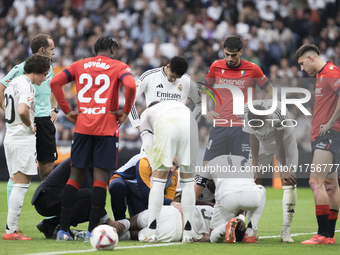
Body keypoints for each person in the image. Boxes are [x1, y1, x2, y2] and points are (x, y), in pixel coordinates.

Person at [50, 36, 136, 241]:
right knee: (100, 181)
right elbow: (131, 87)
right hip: (106, 129)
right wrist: (125, 111)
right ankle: (91, 232)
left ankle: (63, 231)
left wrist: (67, 111)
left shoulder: (80, 64)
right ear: (113, 49)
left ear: (96, 49)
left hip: (82, 128)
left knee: (75, 178)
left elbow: (55, 82)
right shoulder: (118, 65)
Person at [0, 34, 58, 202]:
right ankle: (12, 220)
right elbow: (1, 87)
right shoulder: (21, 68)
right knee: (20, 173)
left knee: (47, 170)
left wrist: (54, 109)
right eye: (51, 49)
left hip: (45, 122)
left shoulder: (49, 68)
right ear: (42, 50)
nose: (54, 52)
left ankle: (48, 217)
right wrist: (6, 109)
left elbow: (52, 88)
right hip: (28, 122)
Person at [202, 36, 273, 166]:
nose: (229, 58)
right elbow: (205, 89)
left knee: (242, 173)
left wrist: (259, 111)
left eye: (233, 55)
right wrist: (205, 110)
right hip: (219, 126)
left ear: (241, 52)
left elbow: (271, 91)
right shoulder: (216, 66)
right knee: (207, 173)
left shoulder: (253, 69)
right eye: (227, 54)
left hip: (242, 129)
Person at [295, 44, 340, 245]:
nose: (302, 69)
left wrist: (330, 123)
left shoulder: (331, 72)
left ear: (311, 58)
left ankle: (322, 234)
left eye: (302, 64)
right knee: (330, 185)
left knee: (315, 181)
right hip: (321, 135)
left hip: (329, 135)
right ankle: (329, 236)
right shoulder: (322, 75)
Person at [3, 54, 51, 240]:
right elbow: (23, 110)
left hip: (10, 135)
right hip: (22, 139)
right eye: (44, 74)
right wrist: (30, 125)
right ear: (37, 72)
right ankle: (11, 231)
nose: (45, 78)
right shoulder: (27, 85)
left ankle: (11, 229)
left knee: (16, 182)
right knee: (21, 185)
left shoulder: (14, 82)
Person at [139, 100, 198, 243]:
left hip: (168, 125)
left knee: (158, 184)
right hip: (190, 123)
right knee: (188, 183)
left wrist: (157, 169)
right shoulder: (173, 107)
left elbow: (148, 145)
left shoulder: (146, 116)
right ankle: (188, 234)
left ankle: (152, 233)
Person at [243, 100, 297, 242]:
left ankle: (286, 231)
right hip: (262, 146)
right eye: (252, 126)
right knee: (253, 181)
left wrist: (284, 168)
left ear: (266, 119)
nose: (254, 129)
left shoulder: (276, 115)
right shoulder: (246, 114)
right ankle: (251, 228)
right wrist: (255, 168)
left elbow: (280, 143)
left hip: (285, 140)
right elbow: (253, 142)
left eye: (257, 126)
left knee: (289, 181)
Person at [32, 158, 126, 239]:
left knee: (93, 211)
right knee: (89, 198)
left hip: (49, 199)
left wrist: (104, 221)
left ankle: (50, 224)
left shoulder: (87, 161)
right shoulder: (84, 163)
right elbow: (92, 197)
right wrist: (108, 221)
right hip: (46, 199)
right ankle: (61, 228)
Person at [195, 155, 266, 243]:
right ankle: (250, 233)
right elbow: (247, 188)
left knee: (213, 234)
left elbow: (194, 194)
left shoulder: (210, 164)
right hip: (251, 196)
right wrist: (240, 217)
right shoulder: (246, 161)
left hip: (226, 196)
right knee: (261, 189)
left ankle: (225, 227)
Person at [128, 55, 201, 131]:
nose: (173, 80)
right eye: (172, 76)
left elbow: (202, 102)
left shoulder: (186, 80)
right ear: (168, 67)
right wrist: (138, 124)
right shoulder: (150, 76)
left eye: (177, 78)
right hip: (154, 131)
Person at [109, 152, 178, 220]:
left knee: (143, 223)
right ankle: (119, 219)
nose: (173, 170)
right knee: (118, 186)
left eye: (177, 167)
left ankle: (126, 224)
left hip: (141, 192)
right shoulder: (145, 161)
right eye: (172, 163)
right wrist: (170, 203)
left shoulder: (174, 174)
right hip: (126, 184)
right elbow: (145, 193)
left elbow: (168, 202)